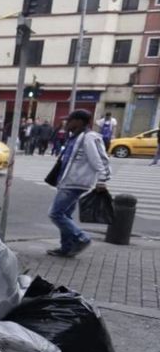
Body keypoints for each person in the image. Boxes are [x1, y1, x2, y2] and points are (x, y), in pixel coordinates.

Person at [48, 109, 111, 257]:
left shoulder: (88, 138)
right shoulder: (75, 137)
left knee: (56, 214)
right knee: (65, 215)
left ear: (79, 122)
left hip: (75, 182)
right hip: (69, 181)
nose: (66, 123)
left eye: (69, 120)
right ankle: (66, 248)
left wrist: (102, 179)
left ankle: (81, 237)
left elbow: (99, 160)